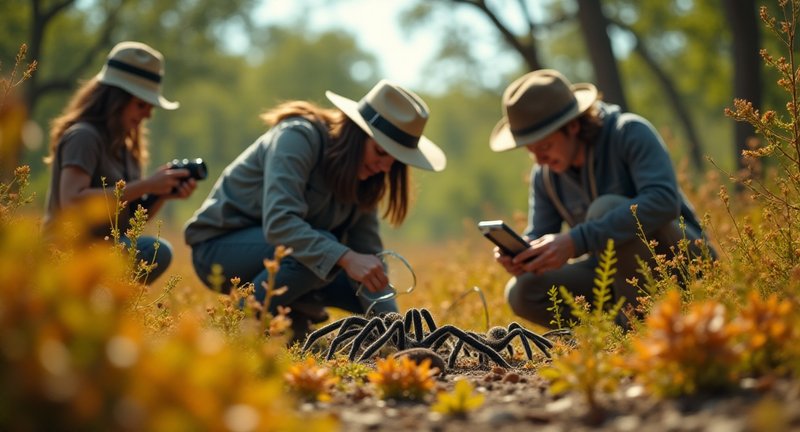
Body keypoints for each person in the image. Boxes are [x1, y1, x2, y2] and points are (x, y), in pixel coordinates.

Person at [183, 79, 446, 339]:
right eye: (380, 151)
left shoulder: (366, 176)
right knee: (321, 254)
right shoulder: (297, 137)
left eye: (395, 160)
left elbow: (369, 258)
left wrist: (395, 330)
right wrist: (344, 257)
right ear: (356, 135)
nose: (385, 167)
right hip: (218, 249)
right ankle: (233, 330)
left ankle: (294, 314)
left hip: (288, 258)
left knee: (360, 282)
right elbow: (280, 223)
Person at [488, 69, 714, 329]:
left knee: (604, 208)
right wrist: (526, 254)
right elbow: (541, 231)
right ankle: (609, 336)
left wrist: (577, 241)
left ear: (572, 126)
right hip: (614, 278)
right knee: (522, 291)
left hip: (682, 262)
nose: (539, 160)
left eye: (545, 147)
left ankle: (639, 329)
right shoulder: (546, 176)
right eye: (531, 152)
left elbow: (663, 201)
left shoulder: (630, 132)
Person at [44, 41, 197, 283]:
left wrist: (162, 193)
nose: (148, 113)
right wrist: (147, 185)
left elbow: (127, 226)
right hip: (65, 252)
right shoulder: (84, 136)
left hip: (101, 251)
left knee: (153, 251)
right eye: (141, 104)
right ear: (115, 99)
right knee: (156, 249)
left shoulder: (126, 149)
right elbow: (71, 201)